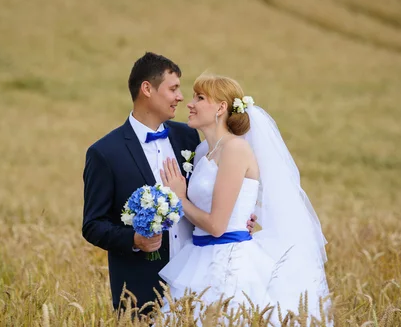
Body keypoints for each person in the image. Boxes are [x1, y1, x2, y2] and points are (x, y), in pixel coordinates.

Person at [82, 53, 256, 313]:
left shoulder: (188, 137)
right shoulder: (105, 153)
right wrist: (135, 239)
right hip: (142, 286)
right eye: (173, 88)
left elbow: (213, 190)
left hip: (202, 276)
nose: (181, 97)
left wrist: (240, 217)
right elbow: (93, 225)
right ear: (147, 89)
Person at [159, 74, 332, 325]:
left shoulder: (235, 149)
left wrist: (179, 199)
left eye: (200, 97)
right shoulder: (202, 152)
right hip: (198, 257)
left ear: (221, 108)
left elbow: (218, 226)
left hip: (228, 263)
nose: (190, 103)